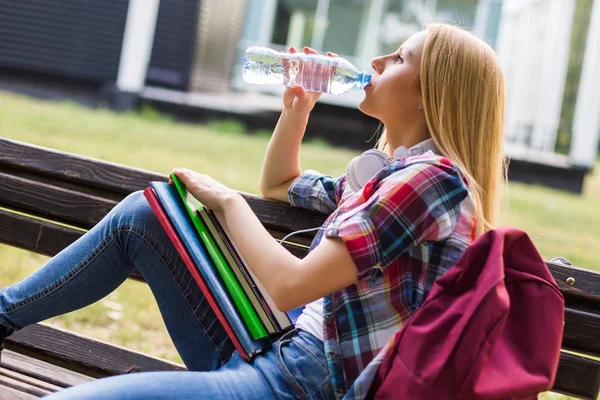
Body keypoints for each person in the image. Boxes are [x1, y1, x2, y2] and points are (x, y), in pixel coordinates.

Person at [0, 23, 505, 399]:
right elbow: (282, 183)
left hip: (300, 384)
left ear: (429, 95)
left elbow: (292, 284)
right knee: (146, 216)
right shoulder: (390, 173)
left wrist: (229, 202)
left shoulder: (430, 182)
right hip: (279, 347)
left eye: (399, 59)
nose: (375, 60)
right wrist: (297, 110)